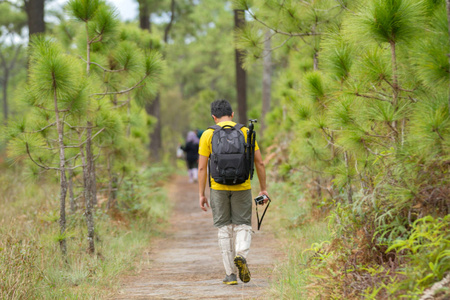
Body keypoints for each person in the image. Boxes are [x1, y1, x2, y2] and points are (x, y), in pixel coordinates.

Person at [198, 99, 269, 285]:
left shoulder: (208, 134)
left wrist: (202, 194)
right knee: (243, 225)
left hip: (218, 187)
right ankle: (241, 254)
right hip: (242, 186)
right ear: (233, 114)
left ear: (214, 117)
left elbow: (201, 168)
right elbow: (260, 163)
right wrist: (263, 189)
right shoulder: (246, 132)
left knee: (224, 228)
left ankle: (230, 275)